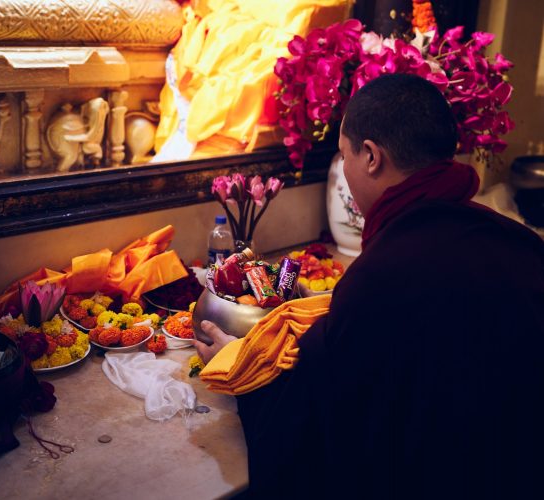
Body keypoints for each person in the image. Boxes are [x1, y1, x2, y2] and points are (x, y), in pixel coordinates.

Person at [194, 73, 544, 499]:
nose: (345, 169)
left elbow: (324, 418)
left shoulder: (384, 273)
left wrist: (240, 365)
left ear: (372, 157)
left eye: (344, 155)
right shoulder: (518, 241)